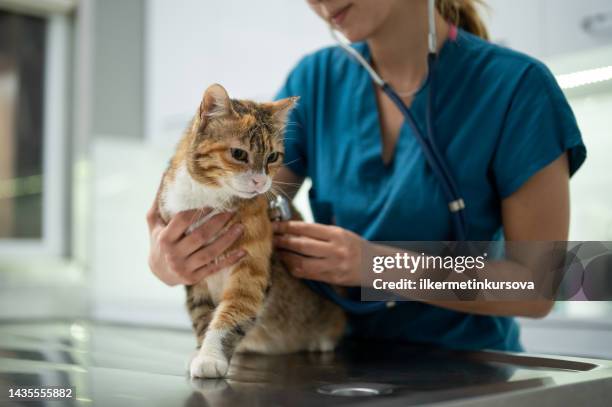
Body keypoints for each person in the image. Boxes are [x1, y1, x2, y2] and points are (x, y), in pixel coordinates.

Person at [147, 0, 586, 352]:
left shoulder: (519, 88)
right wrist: (168, 259)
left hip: (468, 369)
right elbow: (241, 206)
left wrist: (376, 266)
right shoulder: (316, 78)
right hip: (329, 357)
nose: (316, 3)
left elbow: (539, 284)